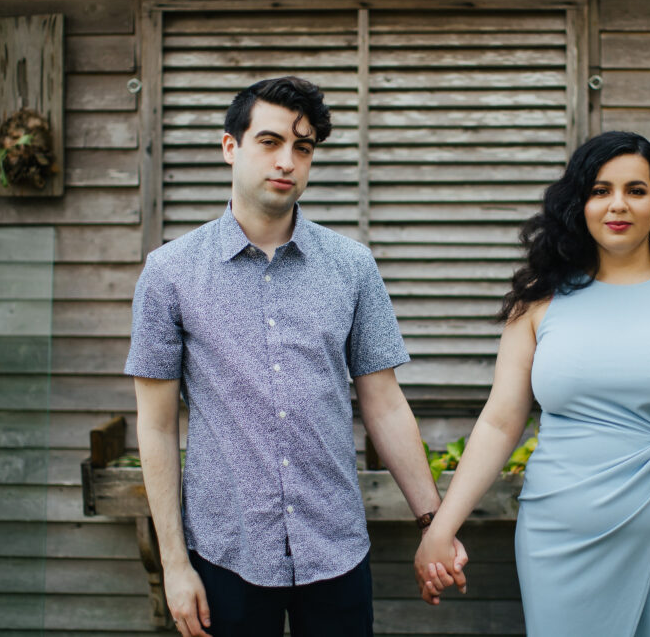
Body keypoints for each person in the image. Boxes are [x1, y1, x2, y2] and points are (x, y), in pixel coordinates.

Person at [125, 76, 466, 637]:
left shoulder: (353, 267)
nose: (287, 160)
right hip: (224, 553)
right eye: (270, 141)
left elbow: (384, 405)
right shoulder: (169, 273)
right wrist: (175, 562)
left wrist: (434, 521)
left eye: (302, 148)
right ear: (230, 147)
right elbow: (157, 427)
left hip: (335, 548)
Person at [413, 131, 650, 635]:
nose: (618, 205)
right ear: (579, 203)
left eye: (635, 190)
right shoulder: (539, 302)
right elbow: (500, 421)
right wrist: (442, 527)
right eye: (599, 190)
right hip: (565, 530)